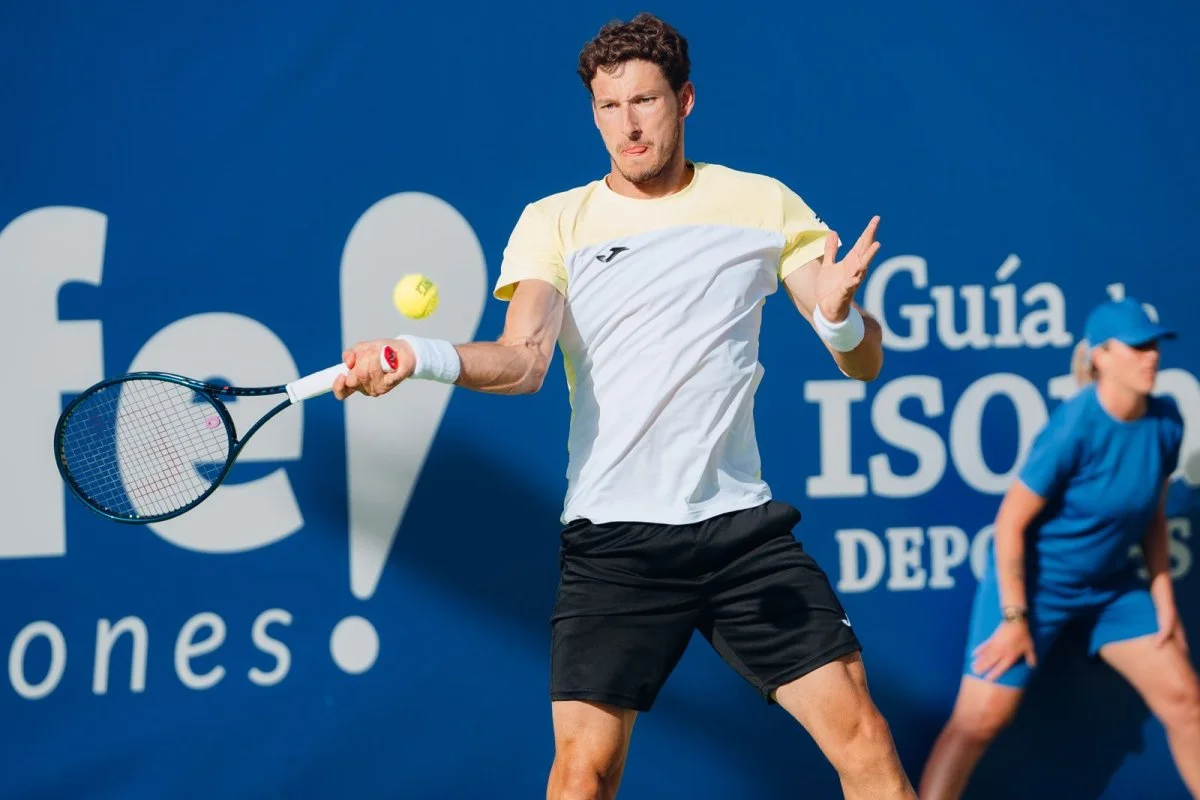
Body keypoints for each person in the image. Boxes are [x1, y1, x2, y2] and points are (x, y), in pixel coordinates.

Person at [333, 13, 915, 800]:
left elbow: (863, 364)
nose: (628, 125)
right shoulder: (555, 222)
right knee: (583, 777)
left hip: (740, 534)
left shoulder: (762, 204)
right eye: (610, 107)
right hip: (615, 543)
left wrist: (842, 316)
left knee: (866, 741)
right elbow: (524, 360)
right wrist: (415, 356)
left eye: (646, 100)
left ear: (685, 100)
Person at [917, 298, 1200, 799]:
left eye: (1154, 345)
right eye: (1137, 346)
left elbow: (1151, 516)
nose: (1151, 356)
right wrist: (1013, 616)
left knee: (1186, 701)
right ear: (1101, 357)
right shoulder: (1073, 426)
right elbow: (1009, 525)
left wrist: (1163, 602)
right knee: (979, 720)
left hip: (1112, 589)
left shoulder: (1167, 421)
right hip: (1035, 585)